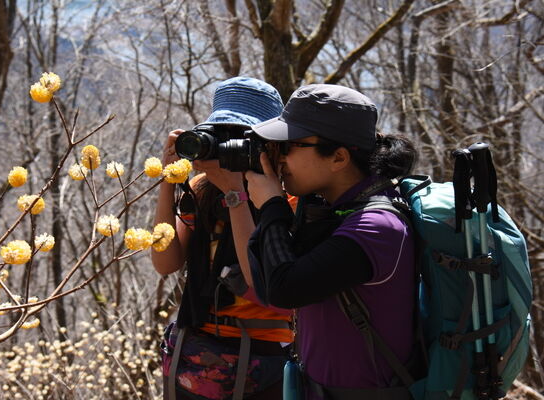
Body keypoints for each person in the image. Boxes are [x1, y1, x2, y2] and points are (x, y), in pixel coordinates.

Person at [244, 84, 418, 399]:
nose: (279, 158)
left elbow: (285, 289)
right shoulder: (333, 210)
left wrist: (271, 206)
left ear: (338, 157)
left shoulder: (376, 228)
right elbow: (266, 281)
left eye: (289, 146)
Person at [151, 77, 293, 400]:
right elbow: (165, 263)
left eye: (242, 137)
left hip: (262, 360)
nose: (230, 146)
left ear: (269, 144)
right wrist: (168, 181)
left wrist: (235, 193)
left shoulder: (285, 200)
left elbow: (260, 280)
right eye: (221, 134)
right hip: (198, 355)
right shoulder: (202, 189)